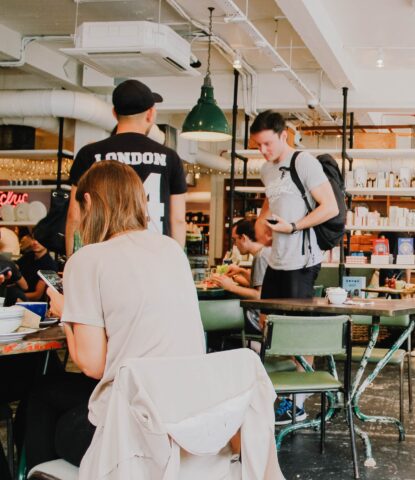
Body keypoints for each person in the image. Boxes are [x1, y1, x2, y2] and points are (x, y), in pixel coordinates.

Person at [23, 161, 205, 469]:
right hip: (184, 416)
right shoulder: (171, 250)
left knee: (41, 404)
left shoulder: (87, 259)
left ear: (89, 202)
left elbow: (92, 365)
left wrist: (67, 312)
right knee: (44, 394)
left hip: (134, 433)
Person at [66, 79, 187, 255]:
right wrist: (177, 263)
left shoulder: (89, 154)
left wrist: (73, 262)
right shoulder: (170, 158)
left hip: (105, 256)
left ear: (114, 113)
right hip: (155, 256)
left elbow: (75, 216)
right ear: (150, 114)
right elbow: (178, 220)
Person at [249, 110, 339, 300]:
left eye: (267, 143)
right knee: (267, 319)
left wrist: (293, 227)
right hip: (275, 260)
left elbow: (331, 207)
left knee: (293, 325)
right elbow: (273, 196)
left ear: (283, 136)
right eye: (258, 145)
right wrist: (261, 220)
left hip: (302, 262)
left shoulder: (303, 162)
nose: (263, 150)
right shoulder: (266, 170)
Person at [210, 218, 271, 334]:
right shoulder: (265, 252)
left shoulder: (260, 257)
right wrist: (241, 271)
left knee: (218, 312)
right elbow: (264, 285)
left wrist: (231, 287)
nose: (235, 245)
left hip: (259, 318)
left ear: (243, 238)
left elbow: (260, 296)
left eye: (234, 240)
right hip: (269, 315)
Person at [16, 232, 58, 301]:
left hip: (36, 304)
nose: (35, 242)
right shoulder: (28, 256)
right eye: (33, 239)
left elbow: (37, 295)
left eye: (40, 240)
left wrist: (16, 296)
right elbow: (15, 267)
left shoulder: (49, 265)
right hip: (20, 297)